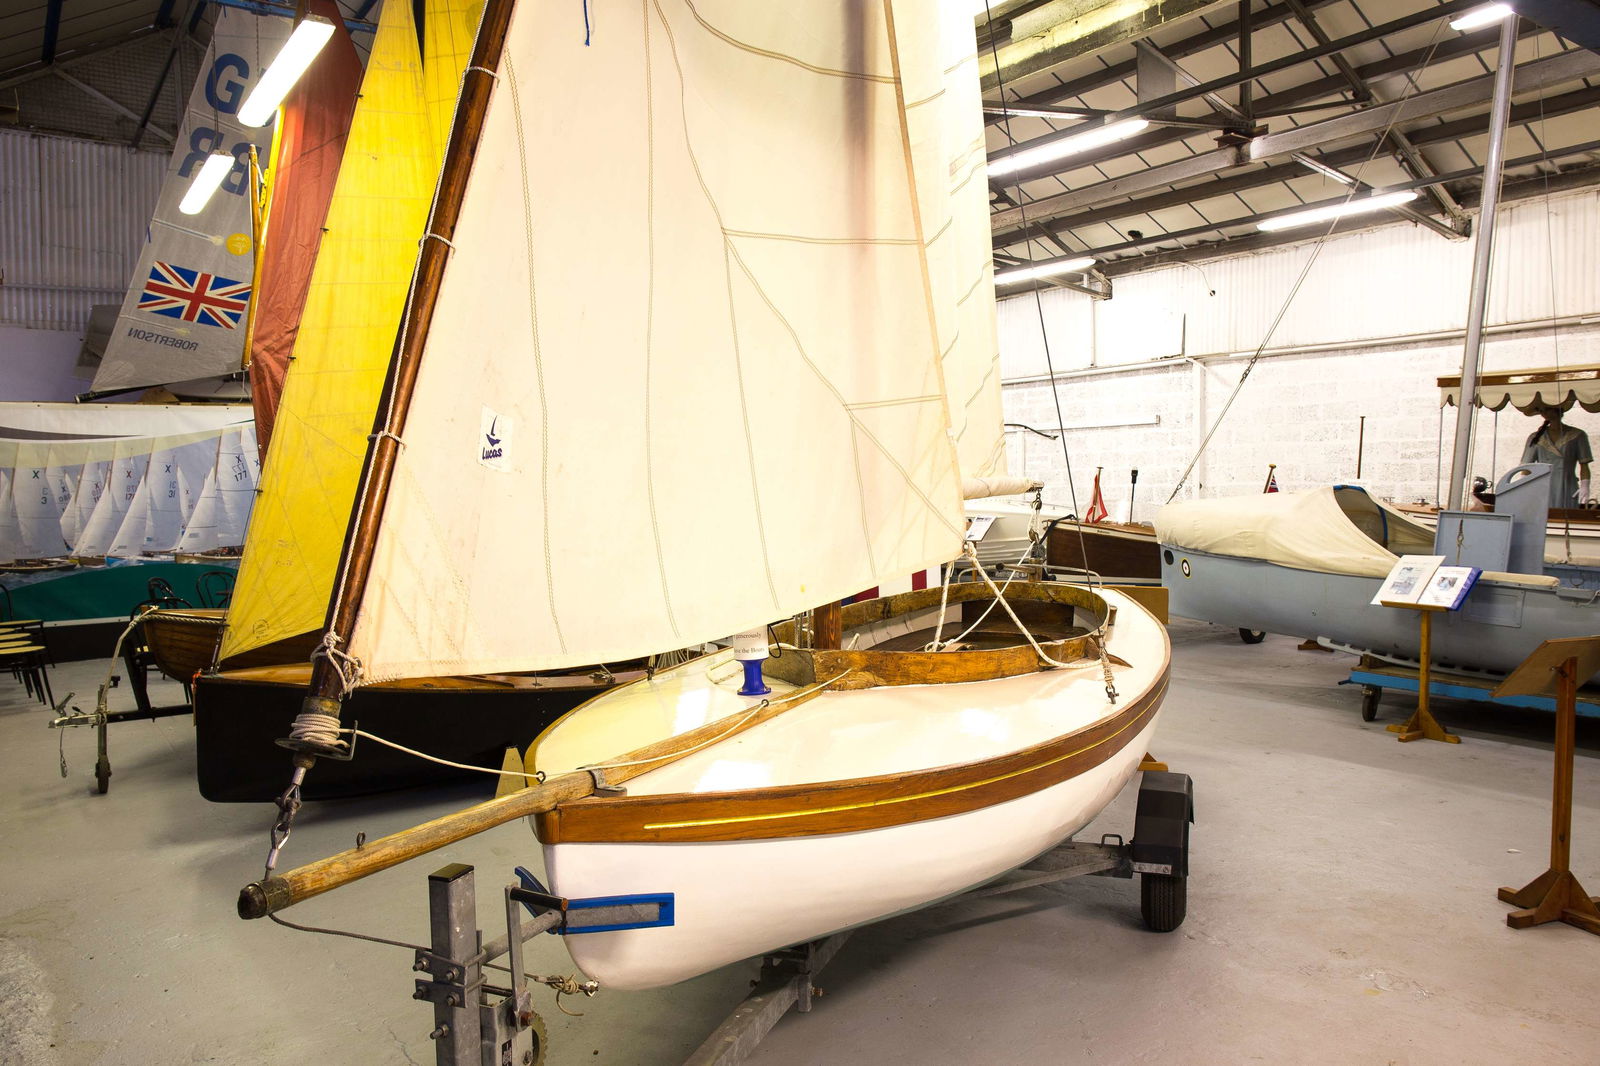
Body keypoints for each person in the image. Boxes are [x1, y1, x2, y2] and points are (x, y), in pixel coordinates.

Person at [1521, 402, 1593, 509]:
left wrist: (1585, 485)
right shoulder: (1536, 437)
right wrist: (1523, 487)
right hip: (1544, 485)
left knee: (1567, 514)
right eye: (1541, 410)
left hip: (1567, 484)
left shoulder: (1577, 435)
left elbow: (1584, 464)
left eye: (1547, 408)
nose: (1543, 412)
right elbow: (1526, 467)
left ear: (1558, 410)